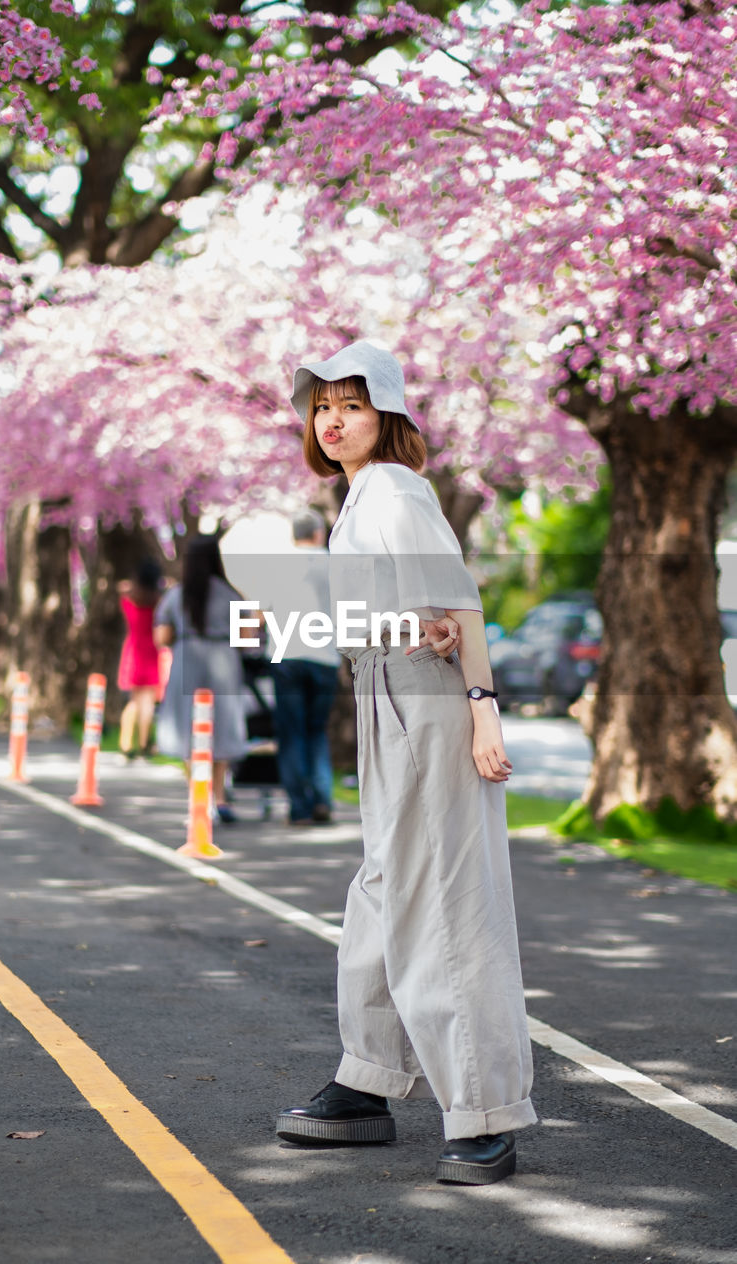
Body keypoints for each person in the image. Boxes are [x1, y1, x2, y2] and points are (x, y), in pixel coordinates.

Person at [275, 340, 536, 1186]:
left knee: (447, 905)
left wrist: (481, 709)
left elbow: (459, 599)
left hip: (427, 705)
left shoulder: (392, 487)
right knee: (384, 889)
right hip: (386, 696)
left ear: (385, 414)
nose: (333, 420)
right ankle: (369, 1079)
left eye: (350, 404)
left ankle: (484, 1114)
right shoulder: (359, 499)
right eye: (322, 407)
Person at [154, 536, 248, 823]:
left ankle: (198, 797)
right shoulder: (231, 595)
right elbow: (245, 638)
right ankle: (220, 798)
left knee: (187, 729)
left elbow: (161, 637)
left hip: (187, 661)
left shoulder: (176, 595)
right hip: (224, 662)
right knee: (222, 727)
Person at [265, 510, 342, 825]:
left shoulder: (276, 564)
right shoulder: (335, 563)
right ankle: (323, 799)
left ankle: (299, 806)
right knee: (317, 731)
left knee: (291, 732)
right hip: (324, 657)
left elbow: (258, 611)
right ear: (317, 533)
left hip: (286, 655)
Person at [117, 558, 163, 759]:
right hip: (152, 654)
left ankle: (126, 743)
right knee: (147, 703)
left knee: (133, 702)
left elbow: (121, 588)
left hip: (133, 654)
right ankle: (145, 743)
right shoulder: (158, 605)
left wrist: (130, 585)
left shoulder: (129, 602)